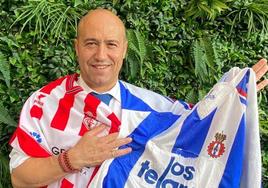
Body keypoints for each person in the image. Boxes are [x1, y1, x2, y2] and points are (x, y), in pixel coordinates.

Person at [9, 8, 268, 187]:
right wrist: (71, 159)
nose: (101, 55)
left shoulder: (152, 107)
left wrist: (233, 101)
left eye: (111, 44)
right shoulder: (44, 103)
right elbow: (19, 178)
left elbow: (197, 123)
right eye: (91, 43)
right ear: (76, 47)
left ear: (123, 50)